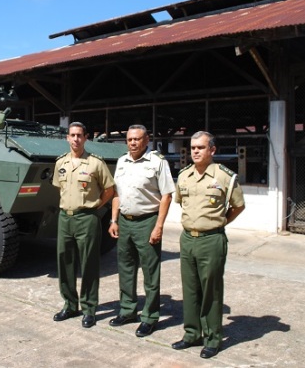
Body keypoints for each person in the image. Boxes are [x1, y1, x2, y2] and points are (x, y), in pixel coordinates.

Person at [171, 131, 245, 359]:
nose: (195, 151)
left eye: (200, 147)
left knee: (211, 291)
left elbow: (238, 206)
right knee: (190, 289)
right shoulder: (184, 176)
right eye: (193, 147)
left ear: (212, 150)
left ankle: (213, 338)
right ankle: (192, 334)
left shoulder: (225, 177)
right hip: (187, 239)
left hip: (211, 240)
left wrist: (219, 222)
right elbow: (181, 203)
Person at [107, 124, 175, 337]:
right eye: (129, 139)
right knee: (125, 268)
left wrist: (159, 226)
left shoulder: (158, 162)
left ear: (147, 140)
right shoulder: (121, 162)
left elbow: (166, 195)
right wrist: (114, 220)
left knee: (150, 272)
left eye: (137, 139)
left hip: (147, 222)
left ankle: (150, 317)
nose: (133, 143)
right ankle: (127, 311)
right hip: (125, 222)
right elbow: (116, 193)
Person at [52, 121, 115, 328]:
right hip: (65, 218)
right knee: (65, 262)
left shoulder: (95, 163)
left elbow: (109, 189)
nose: (76, 139)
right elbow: (58, 188)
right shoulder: (60, 162)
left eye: (80, 135)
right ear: (67, 138)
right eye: (72, 135)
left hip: (87, 218)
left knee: (89, 263)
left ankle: (89, 308)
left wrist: (97, 206)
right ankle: (70, 305)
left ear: (86, 138)